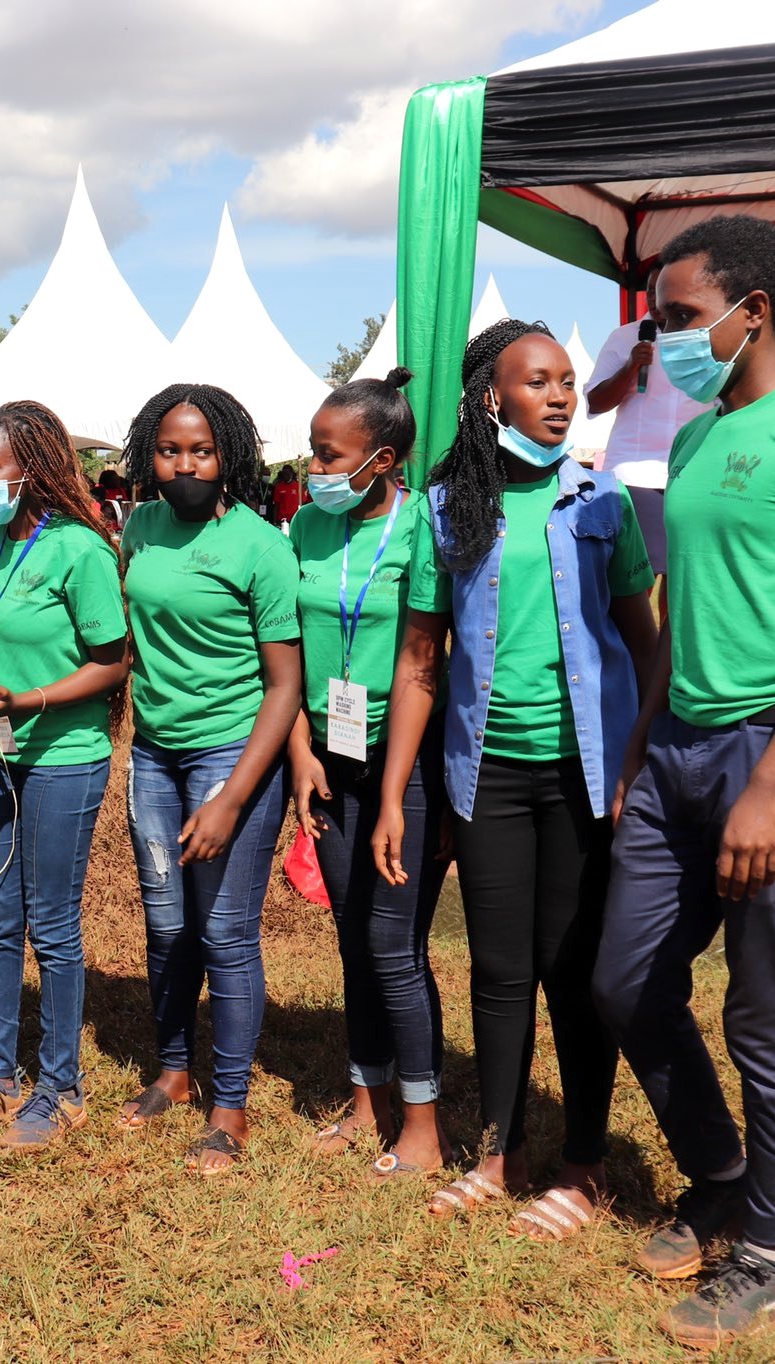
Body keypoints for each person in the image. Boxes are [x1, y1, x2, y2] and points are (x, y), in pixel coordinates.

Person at [593, 214, 775, 1350]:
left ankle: (771, 1255)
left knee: (767, 1013)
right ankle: (717, 1170)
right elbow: (675, 609)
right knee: (624, 980)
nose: (664, 338)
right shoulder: (697, 435)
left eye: (676, 316)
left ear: (748, 310)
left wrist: (770, 782)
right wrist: (638, 744)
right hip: (674, 751)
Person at [373, 320, 658, 1241]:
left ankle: (582, 1163)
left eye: (569, 381)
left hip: (583, 778)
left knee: (568, 969)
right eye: (539, 382)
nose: (562, 396)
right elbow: (421, 658)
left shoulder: (602, 501)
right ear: (493, 397)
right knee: (498, 971)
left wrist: (637, 763)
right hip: (486, 773)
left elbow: (641, 640)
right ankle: (501, 1155)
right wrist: (394, 794)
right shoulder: (445, 508)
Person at [0, 400, 128, 1149]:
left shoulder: (79, 549)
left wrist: (27, 698)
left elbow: (112, 663)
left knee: (51, 925)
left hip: (63, 758)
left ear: (32, 470)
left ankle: (62, 1088)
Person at [112, 383, 301, 1173]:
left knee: (224, 933)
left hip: (231, 755)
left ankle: (230, 1108)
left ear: (229, 455)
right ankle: (175, 1071)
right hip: (155, 755)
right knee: (166, 925)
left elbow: (285, 685)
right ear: (145, 457)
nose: (184, 464)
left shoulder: (262, 546)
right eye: (168, 450)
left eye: (200, 450)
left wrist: (231, 798)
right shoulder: (140, 529)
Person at [285, 368, 452, 1177]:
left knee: (393, 944)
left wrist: (394, 792)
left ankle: (423, 1124)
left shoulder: (426, 528)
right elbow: (280, 653)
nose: (312, 468)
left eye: (327, 454)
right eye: (313, 452)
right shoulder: (306, 530)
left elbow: (426, 659)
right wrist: (301, 751)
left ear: (381, 459)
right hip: (330, 756)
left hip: (403, 768)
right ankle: (367, 1100)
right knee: (354, 939)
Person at [585, 312, 714, 577]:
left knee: (685, 575)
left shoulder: (709, 336)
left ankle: (673, 621)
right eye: (651, 289)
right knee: (636, 576)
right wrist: (631, 365)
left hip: (693, 471)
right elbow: (596, 401)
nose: (657, 298)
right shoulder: (624, 337)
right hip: (635, 473)